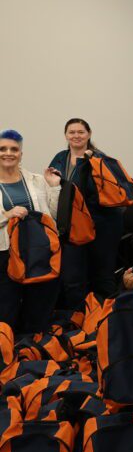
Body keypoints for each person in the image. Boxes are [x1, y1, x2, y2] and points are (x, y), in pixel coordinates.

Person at [49, 118, 124, 305]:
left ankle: (108, 315)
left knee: (102, 273)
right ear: (66, 135)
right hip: (73, 223)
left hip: (102, 222)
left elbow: (108, 192)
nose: (76, 136)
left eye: (80, 132)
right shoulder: (60, 157)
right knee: (73, 274)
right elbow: (53, 186)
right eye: (72, 132)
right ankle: (80, 318)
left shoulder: (99, 159)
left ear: (89, 134)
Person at [1, 130, 62, 334]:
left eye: (14, 149)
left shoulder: (35, 180)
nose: (8, 153)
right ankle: (7, 354)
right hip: (5, 253)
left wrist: (53, 187)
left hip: (36, 250)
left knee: (38, 307)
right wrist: (7, 215)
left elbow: (53, 215)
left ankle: (34, 352)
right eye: (3, 149)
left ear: (21, 154)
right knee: (6, 308)